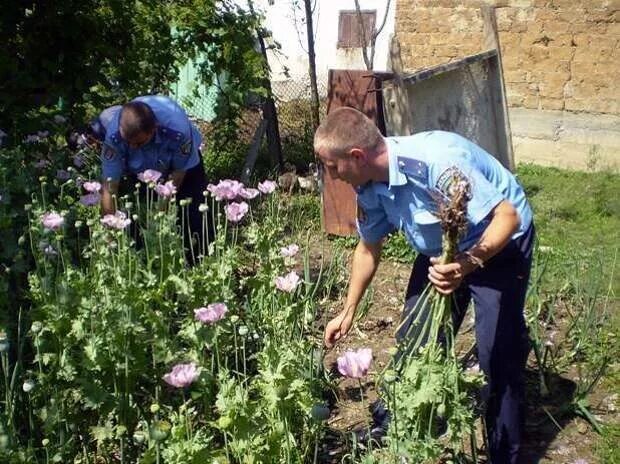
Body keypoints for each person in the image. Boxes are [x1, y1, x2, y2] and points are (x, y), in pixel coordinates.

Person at [315, 107, 534, 464]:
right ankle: (402, 426)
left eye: (331, 166)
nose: (331, 175)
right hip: (440, 251)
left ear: (356, 156)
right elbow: (369, 247)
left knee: (497, 354)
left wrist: (466, 264)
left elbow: (506, 216)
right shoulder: (368, 184)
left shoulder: (437, 164)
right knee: (415, 339)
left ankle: (503, 453)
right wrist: (348, 310)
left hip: (498, 245)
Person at [93, 95, 213, 263]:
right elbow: (109, 187)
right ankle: (146, 260)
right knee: (141, 215)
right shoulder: (114, 138)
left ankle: (200, 262)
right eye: (129, 143)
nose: (133, 147)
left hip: (182, 166)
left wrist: (160, 213)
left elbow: (177, 175)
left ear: (154, 129)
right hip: (143, 170)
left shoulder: (177, 130)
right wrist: (110, 232)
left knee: (193, 213)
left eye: (139, 143)